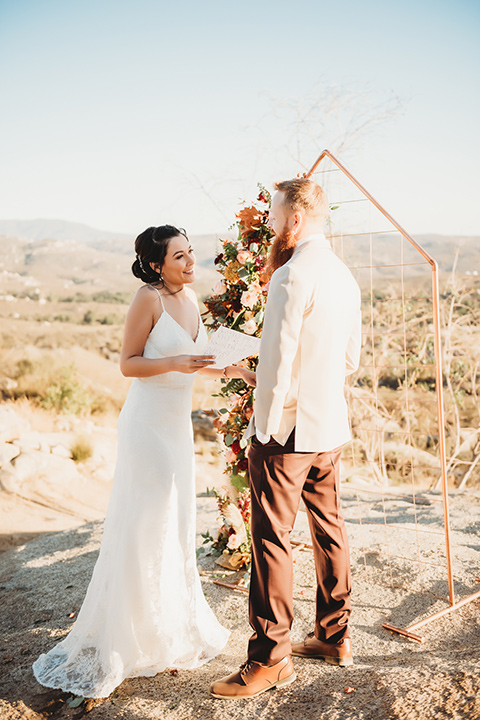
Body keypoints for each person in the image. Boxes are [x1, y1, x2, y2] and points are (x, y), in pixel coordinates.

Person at [33, 224, 253, 699]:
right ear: (157, 265)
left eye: (191, 253)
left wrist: (231, 368)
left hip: (175, 428)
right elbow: (128, 363)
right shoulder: (147, 299)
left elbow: (196, 360)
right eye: (180, 257)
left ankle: (166, 627)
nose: (192, 262)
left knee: (174, 521)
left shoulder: (191, 300)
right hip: (146, 426)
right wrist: (174, 365)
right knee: (146, 522)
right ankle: (128, 637)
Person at [211, 178, 362, 700]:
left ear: (294, 219)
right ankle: (333, 637)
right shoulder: (344, 275)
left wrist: (266, 428)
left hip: (289, 430)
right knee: (329, 527)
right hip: (330, 426)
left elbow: (275, 366)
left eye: (275, 215)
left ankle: (270, 658)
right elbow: (349, 360)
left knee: (272, 539)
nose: (273, 224)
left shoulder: (291, 275)